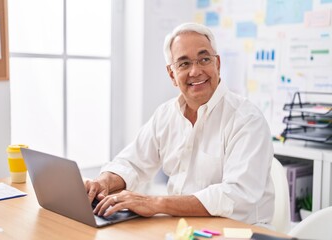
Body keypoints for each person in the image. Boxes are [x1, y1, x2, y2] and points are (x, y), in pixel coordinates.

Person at [84, 22, 274, 226]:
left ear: (217, 64)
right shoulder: (165, 115)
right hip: (182, 228)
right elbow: (132, 162)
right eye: (184, 64)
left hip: (238, 231)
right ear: (172, 74)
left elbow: (235, 195)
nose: (196, 71)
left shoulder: (246, 119)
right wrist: (103, 181)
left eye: (204, 59)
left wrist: (154, 203)